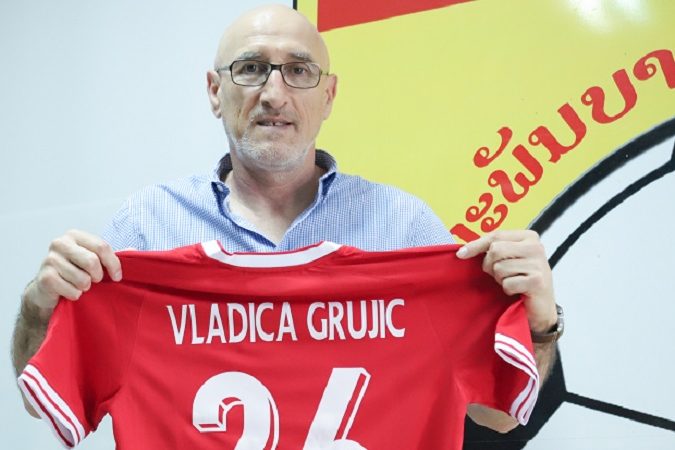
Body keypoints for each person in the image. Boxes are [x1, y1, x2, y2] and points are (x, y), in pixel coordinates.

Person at [11, 3, 558, 435]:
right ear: (215, 92)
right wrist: (40, 305)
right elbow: (43, 400)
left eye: (298, 71)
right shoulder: (145, 228)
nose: (274, 94)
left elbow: (499, 416)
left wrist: (539, 323)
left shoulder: (404, 226)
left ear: (329, 95)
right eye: (251, 69)